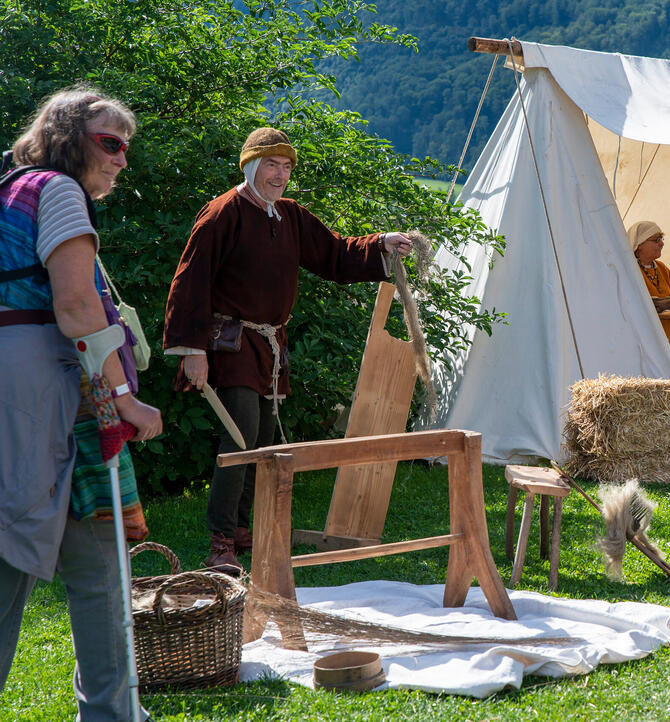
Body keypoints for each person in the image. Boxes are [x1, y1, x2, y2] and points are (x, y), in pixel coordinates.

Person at [163, 127, 413, 576]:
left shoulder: (290, 216)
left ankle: (244, 532)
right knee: (240, 441)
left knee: (259, 443)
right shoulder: (223, 214)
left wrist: (380, 244)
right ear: (252, 166)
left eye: (286, 167)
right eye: (272, 165)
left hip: (269, 346)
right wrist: (192, 350)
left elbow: (334, 254)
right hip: (232, 344)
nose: (280, 175)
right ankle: (221, 543)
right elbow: (190, 282)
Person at [0, 87, 162, 720]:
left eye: (126, 146)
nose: (122, 158)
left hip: (35, 390)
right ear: (68, 139)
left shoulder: (10, 188)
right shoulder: (57, 190)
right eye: (110, 142)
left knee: (91, 556)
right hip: (55, 392)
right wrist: (124, 399)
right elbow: (73, 305)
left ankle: (116, 711)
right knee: (20, 549)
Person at [628, 221, 670, 308]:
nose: (662, 243)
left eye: (661, 238)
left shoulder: (661, 268)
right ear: (639, 244)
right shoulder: (630, 270)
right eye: (657, 240)